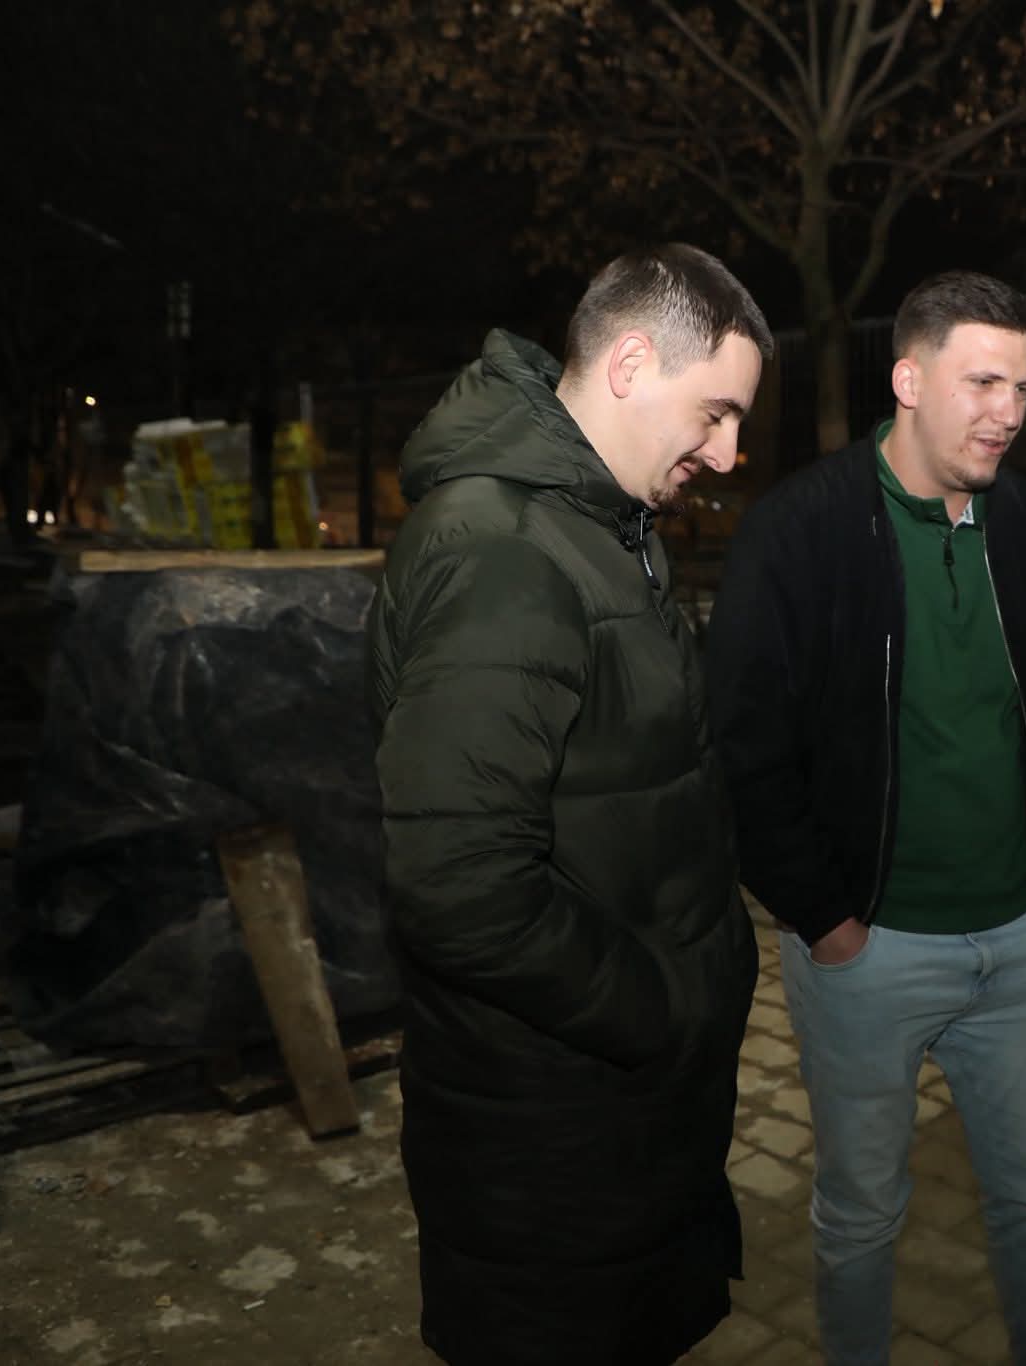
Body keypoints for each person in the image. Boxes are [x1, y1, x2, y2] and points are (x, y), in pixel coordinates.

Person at [367, 244, 769, 1365]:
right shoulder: (504, 554)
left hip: (608, 1126)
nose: (728, 453)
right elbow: (459, 886)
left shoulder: (597, 526)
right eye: (717, 412)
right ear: (632, 363)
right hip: (553, 1136)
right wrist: (660, 1008)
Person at [707, 271, 1026, 1366]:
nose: (1007, 413)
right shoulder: (800, 530)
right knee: (860, 1216)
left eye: (1021, 388)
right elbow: (744, 743)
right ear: (909, 380)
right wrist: (823, 916)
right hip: (867, 952)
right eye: (983, 382)